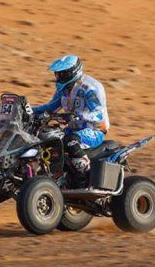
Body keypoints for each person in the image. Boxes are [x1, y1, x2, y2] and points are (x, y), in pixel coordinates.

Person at [33, 55, 110, 187]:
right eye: (58, 74)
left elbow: (98, 114)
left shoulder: (90, 88)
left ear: (73, 72)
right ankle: (55, 176)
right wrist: (29, 110)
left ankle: (85, 177)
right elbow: (51, 107)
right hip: (73, 128)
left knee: (70, 140)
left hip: (95, 130)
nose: (59, 77)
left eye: (62, 74)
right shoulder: (63, 90)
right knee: (48, 138)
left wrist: (76, 115)